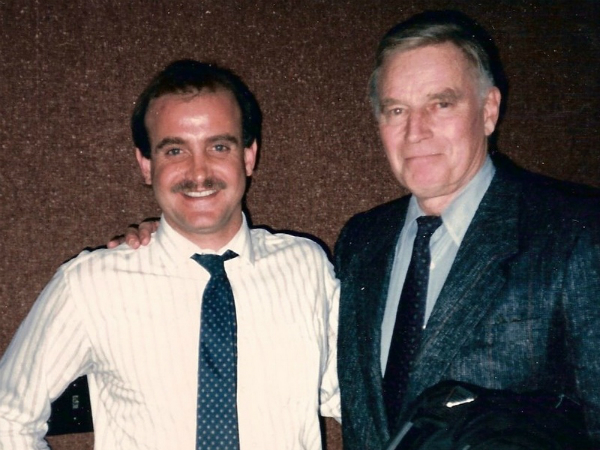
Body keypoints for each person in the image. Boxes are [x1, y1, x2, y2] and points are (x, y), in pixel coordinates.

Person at [0, 60, 340, 449]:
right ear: (146, 165)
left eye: (218, 146)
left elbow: (354, 396)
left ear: (248, 157)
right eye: (175, 150)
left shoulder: (306, 267)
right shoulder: (91, 284)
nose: (199, 172)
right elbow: (7, 417)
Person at [334, 10, 600, 450]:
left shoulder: (575, 231)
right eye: (397, 109)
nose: (415, 131)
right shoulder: (361, 241)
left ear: (489, 110)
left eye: (441, 104)